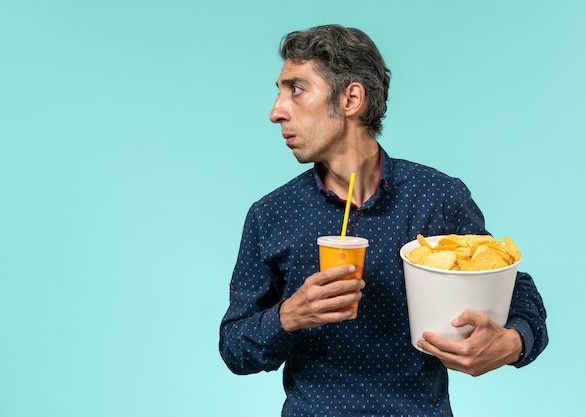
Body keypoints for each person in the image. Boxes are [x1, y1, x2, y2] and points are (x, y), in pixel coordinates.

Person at [219, 24, 548, 417]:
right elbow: (234, 347)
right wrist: (288, 316)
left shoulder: (437, 197)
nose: (277, 111)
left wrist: (512, 342)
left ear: (351, 98)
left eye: (296, 89)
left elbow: (514, 286)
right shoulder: (271, 214)